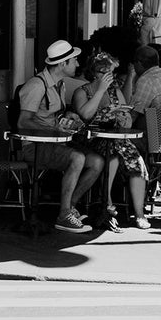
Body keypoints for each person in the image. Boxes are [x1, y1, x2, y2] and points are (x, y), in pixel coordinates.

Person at [17, 39, 104, 234]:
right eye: (74, 60)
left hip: (56, 144)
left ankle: (70, 206)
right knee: (77, 157)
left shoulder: (60, 85)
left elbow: (49, 116)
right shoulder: (36, 85)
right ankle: (64, 216)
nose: (78, 64)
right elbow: (23, 122)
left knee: (96, 162)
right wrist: (56, 131)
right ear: (62, 64)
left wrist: (67, 117)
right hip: (34, 147)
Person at [73, 52, 150, 230]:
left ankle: (139, 214)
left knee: (136, 162)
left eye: (111, 73)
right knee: (113, 155)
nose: (109, 77)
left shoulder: (115, 92)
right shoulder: (83, 92)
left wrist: (125, 118)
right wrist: (100, 91)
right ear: (94, 73)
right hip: (91, 140)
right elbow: (85, 115)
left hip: (117, 139)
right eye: (104, 72)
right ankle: (106, 205)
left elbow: (127, 120)